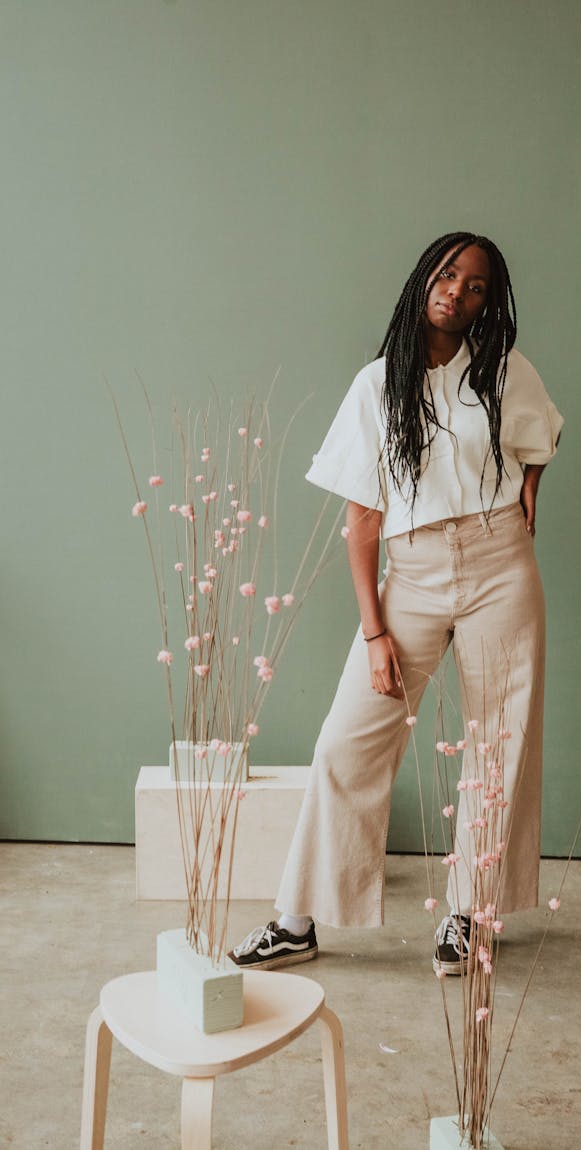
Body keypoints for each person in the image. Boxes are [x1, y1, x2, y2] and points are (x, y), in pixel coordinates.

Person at [229, 231, 563, 975]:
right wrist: (374, 631)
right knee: (348, 741)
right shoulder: (376, 385)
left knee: (498, 747)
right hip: (409, 577)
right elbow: (362, 521)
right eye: (448, 274)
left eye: (476, 286)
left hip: (500, 564)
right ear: (425, 278)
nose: (457, 291)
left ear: (488, 303)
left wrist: (533, 478)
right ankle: (297, 922)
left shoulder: (506, 372)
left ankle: (469, 914)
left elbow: (540, 438)